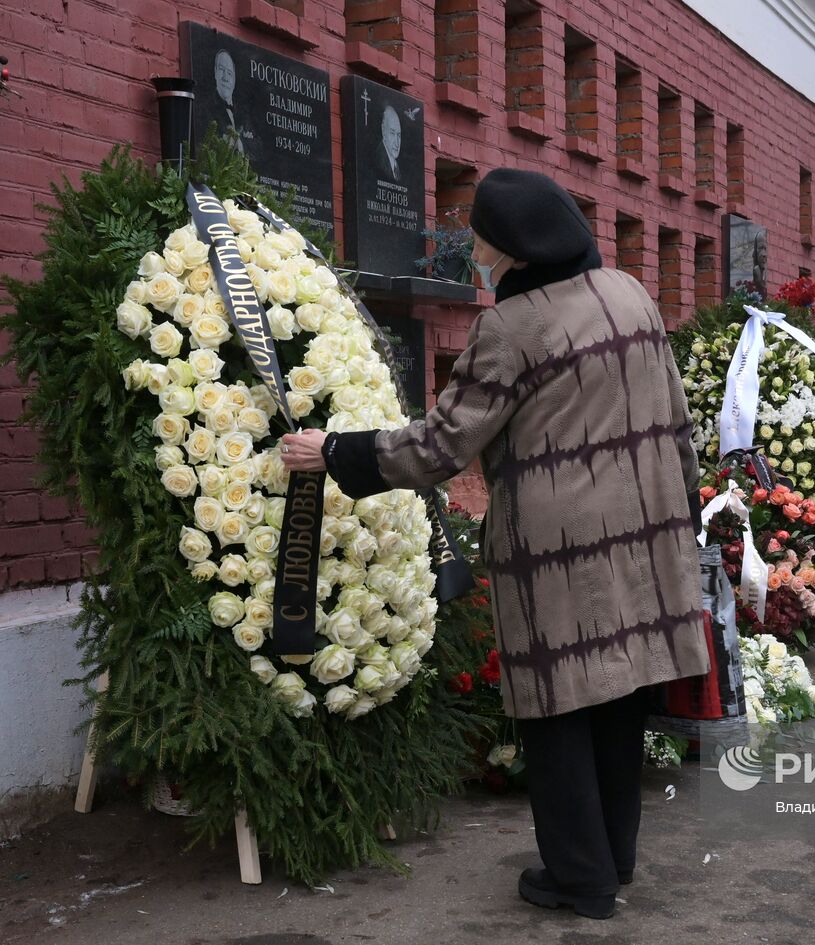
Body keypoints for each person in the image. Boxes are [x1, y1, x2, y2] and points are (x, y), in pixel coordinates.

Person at [279, 168, 711, 921]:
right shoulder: (631, 294)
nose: (472, 248)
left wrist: (337, 451)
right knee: (618, 694)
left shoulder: (512, 328)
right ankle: (614, 856)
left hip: (557, 547)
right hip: (644, 531)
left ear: (507, 246)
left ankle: (580, 879)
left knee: (557, 706)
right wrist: (684, 513)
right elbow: (675, 418)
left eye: (477, 236)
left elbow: (443, 445)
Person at [376, 105, 403, 183]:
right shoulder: (378, 160)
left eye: (399, 135)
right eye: (392, 133)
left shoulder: (396, 166)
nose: (397, 143)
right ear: (383, 132)